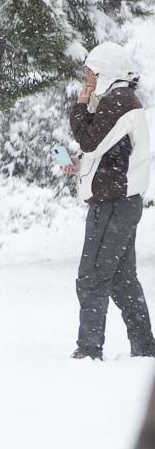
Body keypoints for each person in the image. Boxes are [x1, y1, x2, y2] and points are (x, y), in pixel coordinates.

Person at [66, 41, 155, 360]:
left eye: (91, 75)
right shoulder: (118, 101)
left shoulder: (119, 100)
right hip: (119, 200)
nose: (87, 83)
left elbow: (90, 141)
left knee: (92, 275)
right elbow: (110, 154)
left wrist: (79, 107)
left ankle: (89, 350)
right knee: (121, 279)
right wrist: (78, 165)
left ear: (107, 72)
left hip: (113, 203)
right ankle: (145, 348)